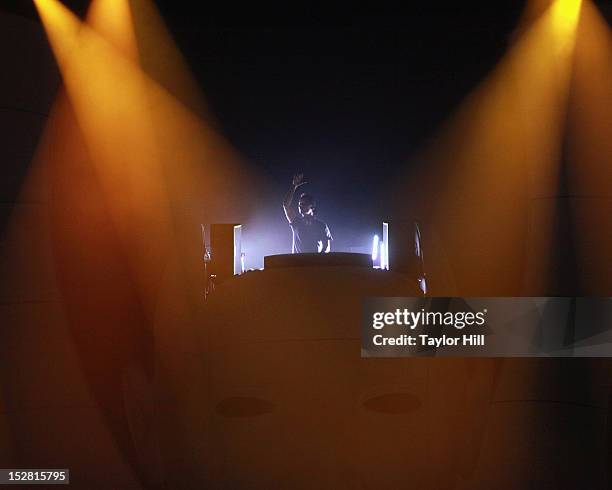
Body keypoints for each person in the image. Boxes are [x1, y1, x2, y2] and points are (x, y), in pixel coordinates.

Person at [282, 174, 333, 253]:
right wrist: (294, 186)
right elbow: (285, 205)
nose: (300, 206)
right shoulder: (296, 222)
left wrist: (318, 258)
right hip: (297, 264)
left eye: (304, 203)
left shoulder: (322, 226)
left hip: (314, 264)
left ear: (312, 207)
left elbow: (327, 247)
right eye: (299, 204)